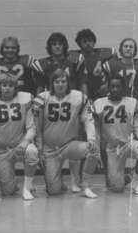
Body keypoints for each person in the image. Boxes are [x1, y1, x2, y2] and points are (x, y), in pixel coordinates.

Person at [32, 33, 87, 190]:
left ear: (64, 45)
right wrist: (39, 106)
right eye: (54, 43)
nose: (57, 46)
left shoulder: (74, 60)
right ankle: (56, 178)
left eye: (60, 43)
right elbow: (40, 88)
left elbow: (82, 82)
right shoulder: (43, 64)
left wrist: (85, 100)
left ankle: (75, 180)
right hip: (52, 105)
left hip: (73, 104)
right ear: (49, 46)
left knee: (75, 139)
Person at [33, 69, 99, 198]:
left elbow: (88, 119)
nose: (60, 84)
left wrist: (91, 138)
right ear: (52, 83)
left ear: (68, 83)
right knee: (54, 191)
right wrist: (40, 149)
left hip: (69, 145)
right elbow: (37, 127)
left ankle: (85, 186)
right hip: (50, 148)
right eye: (57, 81)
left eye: (63, 81)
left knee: (93, 150)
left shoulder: (79, 97)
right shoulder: (42, 98)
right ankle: (58, 180)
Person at [102, 38, 138, 190]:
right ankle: (116, 175)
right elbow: (105, 86)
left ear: (135, 49)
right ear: (121, 48)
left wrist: (137, 103)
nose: (128, 49)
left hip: (134, 107)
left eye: (131, 46)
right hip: (117, 106)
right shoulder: (112, 65)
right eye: (125, 46)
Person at [0, 74, 38, 200]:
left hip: (20, 146)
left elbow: (31, 127)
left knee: (32, 152)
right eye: (4, 85)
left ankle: (27, 187)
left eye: (11, 86)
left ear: (16, 88)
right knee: (8, 191)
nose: (7, 88)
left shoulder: (25, 100)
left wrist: (26, 141)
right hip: (0, 149)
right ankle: (12, 183)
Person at [91, 75, 138, 195]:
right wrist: (96, 145)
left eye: (118, 86)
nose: (115, 89)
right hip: (112, 147)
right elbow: (95, 128)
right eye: (112, 86)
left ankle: (136, 182)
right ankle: (130, 175)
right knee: (116, 188)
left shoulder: (132, 103)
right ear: (108, 87)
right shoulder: (99, 104)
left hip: (128, 143)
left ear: (123, 88)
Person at [70, 28, 116, 99]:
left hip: (102, 91)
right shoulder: (76, 57)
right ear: (80, 44)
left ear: (94, 42)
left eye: (90, 41)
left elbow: (115, 73)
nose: (88, 43)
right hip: (82, 92)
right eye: (84, 41)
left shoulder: (103, 54)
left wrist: (108, 85)